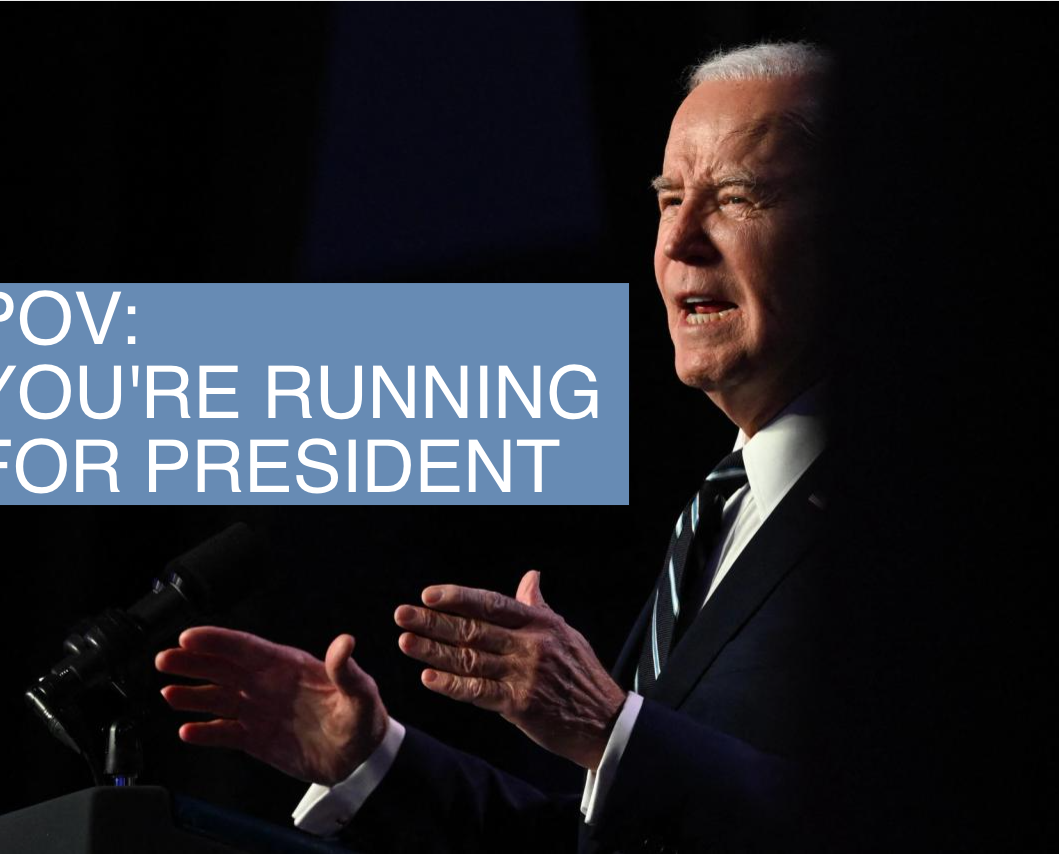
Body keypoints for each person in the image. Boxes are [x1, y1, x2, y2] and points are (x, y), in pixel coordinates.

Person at [156, 42, 841, 853]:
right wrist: (372, 762)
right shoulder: (718, 514)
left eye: (736, 198)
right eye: (668, 199)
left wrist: (609, 726)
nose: (680, 240)